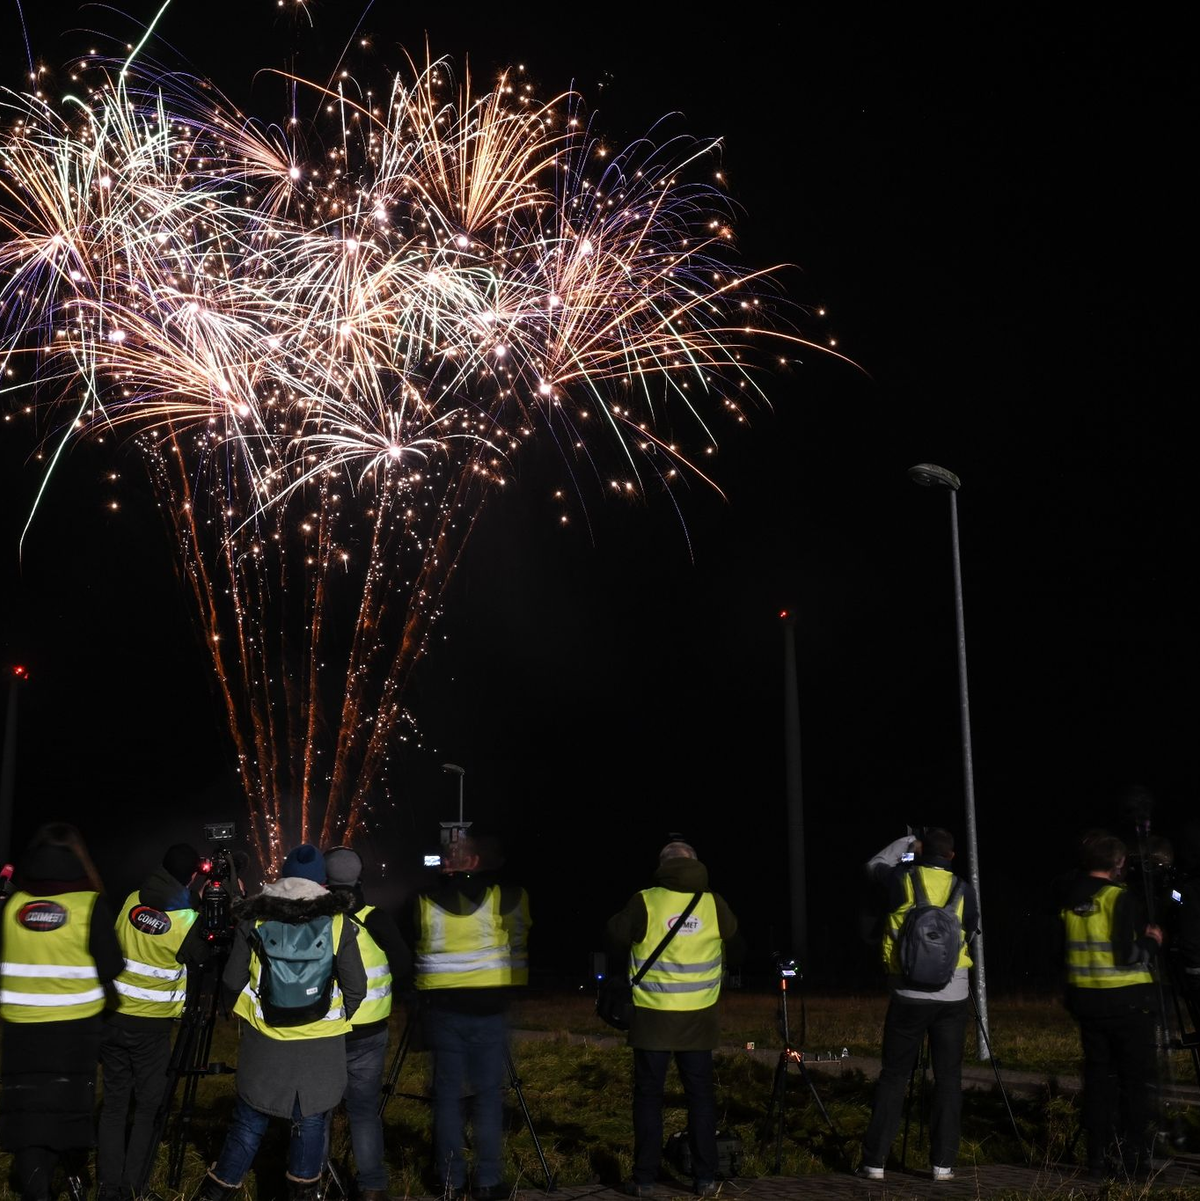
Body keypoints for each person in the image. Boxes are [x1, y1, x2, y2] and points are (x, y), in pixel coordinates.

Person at [195, 843, 366, 1201]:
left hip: (265, 1043)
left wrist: (250, 1012)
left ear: (284, 877)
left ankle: (216, 1193)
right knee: (312, 1120)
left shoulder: (255, 919)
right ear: (322, 883)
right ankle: (302, 1195)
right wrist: (334, 1018)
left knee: (249, 1121)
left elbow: (230, 981)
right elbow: (356, 987)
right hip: (320, 1046)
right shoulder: (339, 923)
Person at [605, 840, 739, 1199]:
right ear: (696, 863)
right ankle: (705, 1178)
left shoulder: (645, 900)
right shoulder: (714, 902)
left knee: (649, 1097)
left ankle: (645, 1178)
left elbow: (616, 934)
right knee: (700, 1098)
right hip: (699, 1018)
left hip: (652, 1017)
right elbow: (732, 933)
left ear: (663, 865)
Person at [0, 823, 124, 1201]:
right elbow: (112, 965)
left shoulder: (12, 906)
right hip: (73, 1037)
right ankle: (57, 1182)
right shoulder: (87, 905)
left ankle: (34, 1191)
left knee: (27, 1118)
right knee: (61, 1120)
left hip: (19, 1036)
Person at [411, 832, 530, 1201]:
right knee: (488, 1096)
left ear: (446, 863)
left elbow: (412, 945)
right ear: (475, 862)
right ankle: (488, 1181)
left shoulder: (422, 901)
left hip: (443, 1010)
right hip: (490, 1009)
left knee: (446, 1096)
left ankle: (450, 1180)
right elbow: (520, 939)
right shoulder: (504, 897)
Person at [857, 827, 978, 1183]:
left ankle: (875, 1162)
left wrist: (905, 844)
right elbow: (969, 932)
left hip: (908, 996)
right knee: (948, 1079)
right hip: (952, 997)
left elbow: (872, 865)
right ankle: (943, 1165)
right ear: (952, 856)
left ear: (921, 850)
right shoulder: (964, 890)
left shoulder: (901, 879)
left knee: (894, 1076)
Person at [96, 843, 211, 1199]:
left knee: (115, 1103)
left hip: (112, 1018)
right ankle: (134, 1187)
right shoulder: (187, 918)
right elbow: (205, 959)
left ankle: (106, 1187)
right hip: (152, 1027)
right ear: (192, 877)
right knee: (149, 1107)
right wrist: (207, 909)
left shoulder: (132, 898)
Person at [1061, 831, 1161, 1179]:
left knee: (1098, 1080)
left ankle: (1097, 1158)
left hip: (1087, 1002)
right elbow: (1125, 954)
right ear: (1118, 864)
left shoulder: (1069, 897)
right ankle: (1135, 1158)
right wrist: (1151, 943)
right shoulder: (1119, 899)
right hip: (1127, 1002)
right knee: (1135, 1083)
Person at [324, 845, 411, 1201]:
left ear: (325, 880)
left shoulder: (317, 918)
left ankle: (315, 1180)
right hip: (370, 1030)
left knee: (320, 1111)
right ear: (359, 878)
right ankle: (372, 1186)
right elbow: (404, 963)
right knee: (363, 1112)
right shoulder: (377, 918)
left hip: (327, 1030)